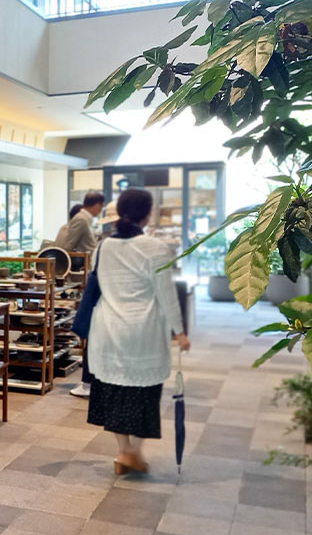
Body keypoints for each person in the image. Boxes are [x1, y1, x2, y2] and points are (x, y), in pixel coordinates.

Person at [85, 188, 190, 474]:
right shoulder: (156, 248)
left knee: (114, 391)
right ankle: (135, 452)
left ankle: (123, 451)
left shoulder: (102, 247)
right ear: (148, 214)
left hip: (108, 329)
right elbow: (167, 295)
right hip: (144, 331)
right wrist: (180, 332)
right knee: (144, 393)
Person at [70, 200, 119, 399]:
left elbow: (95, 273)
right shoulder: (143, 245)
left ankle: (88, 384)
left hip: (103, 300)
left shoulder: (105, 245)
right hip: (123, 304)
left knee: (95, 341)